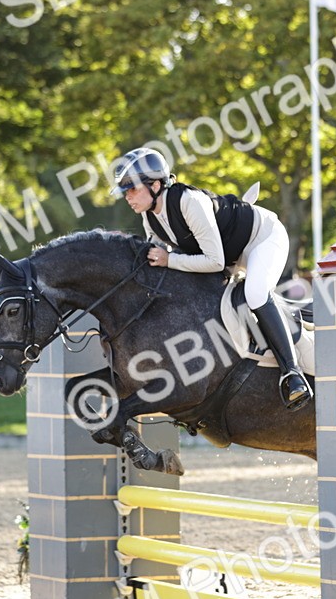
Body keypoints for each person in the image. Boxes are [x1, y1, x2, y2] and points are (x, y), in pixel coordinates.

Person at [111, 147, 312, 411]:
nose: (128, 197)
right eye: (125, 192)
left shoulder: (188, 201)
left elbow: (212, 261)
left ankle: (293, 374)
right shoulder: (150, 216)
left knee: (255, 294)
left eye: (132, 189)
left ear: (156, 185)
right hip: (229, 256)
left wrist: (169, 259)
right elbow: (157, 259)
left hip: (262, 239)